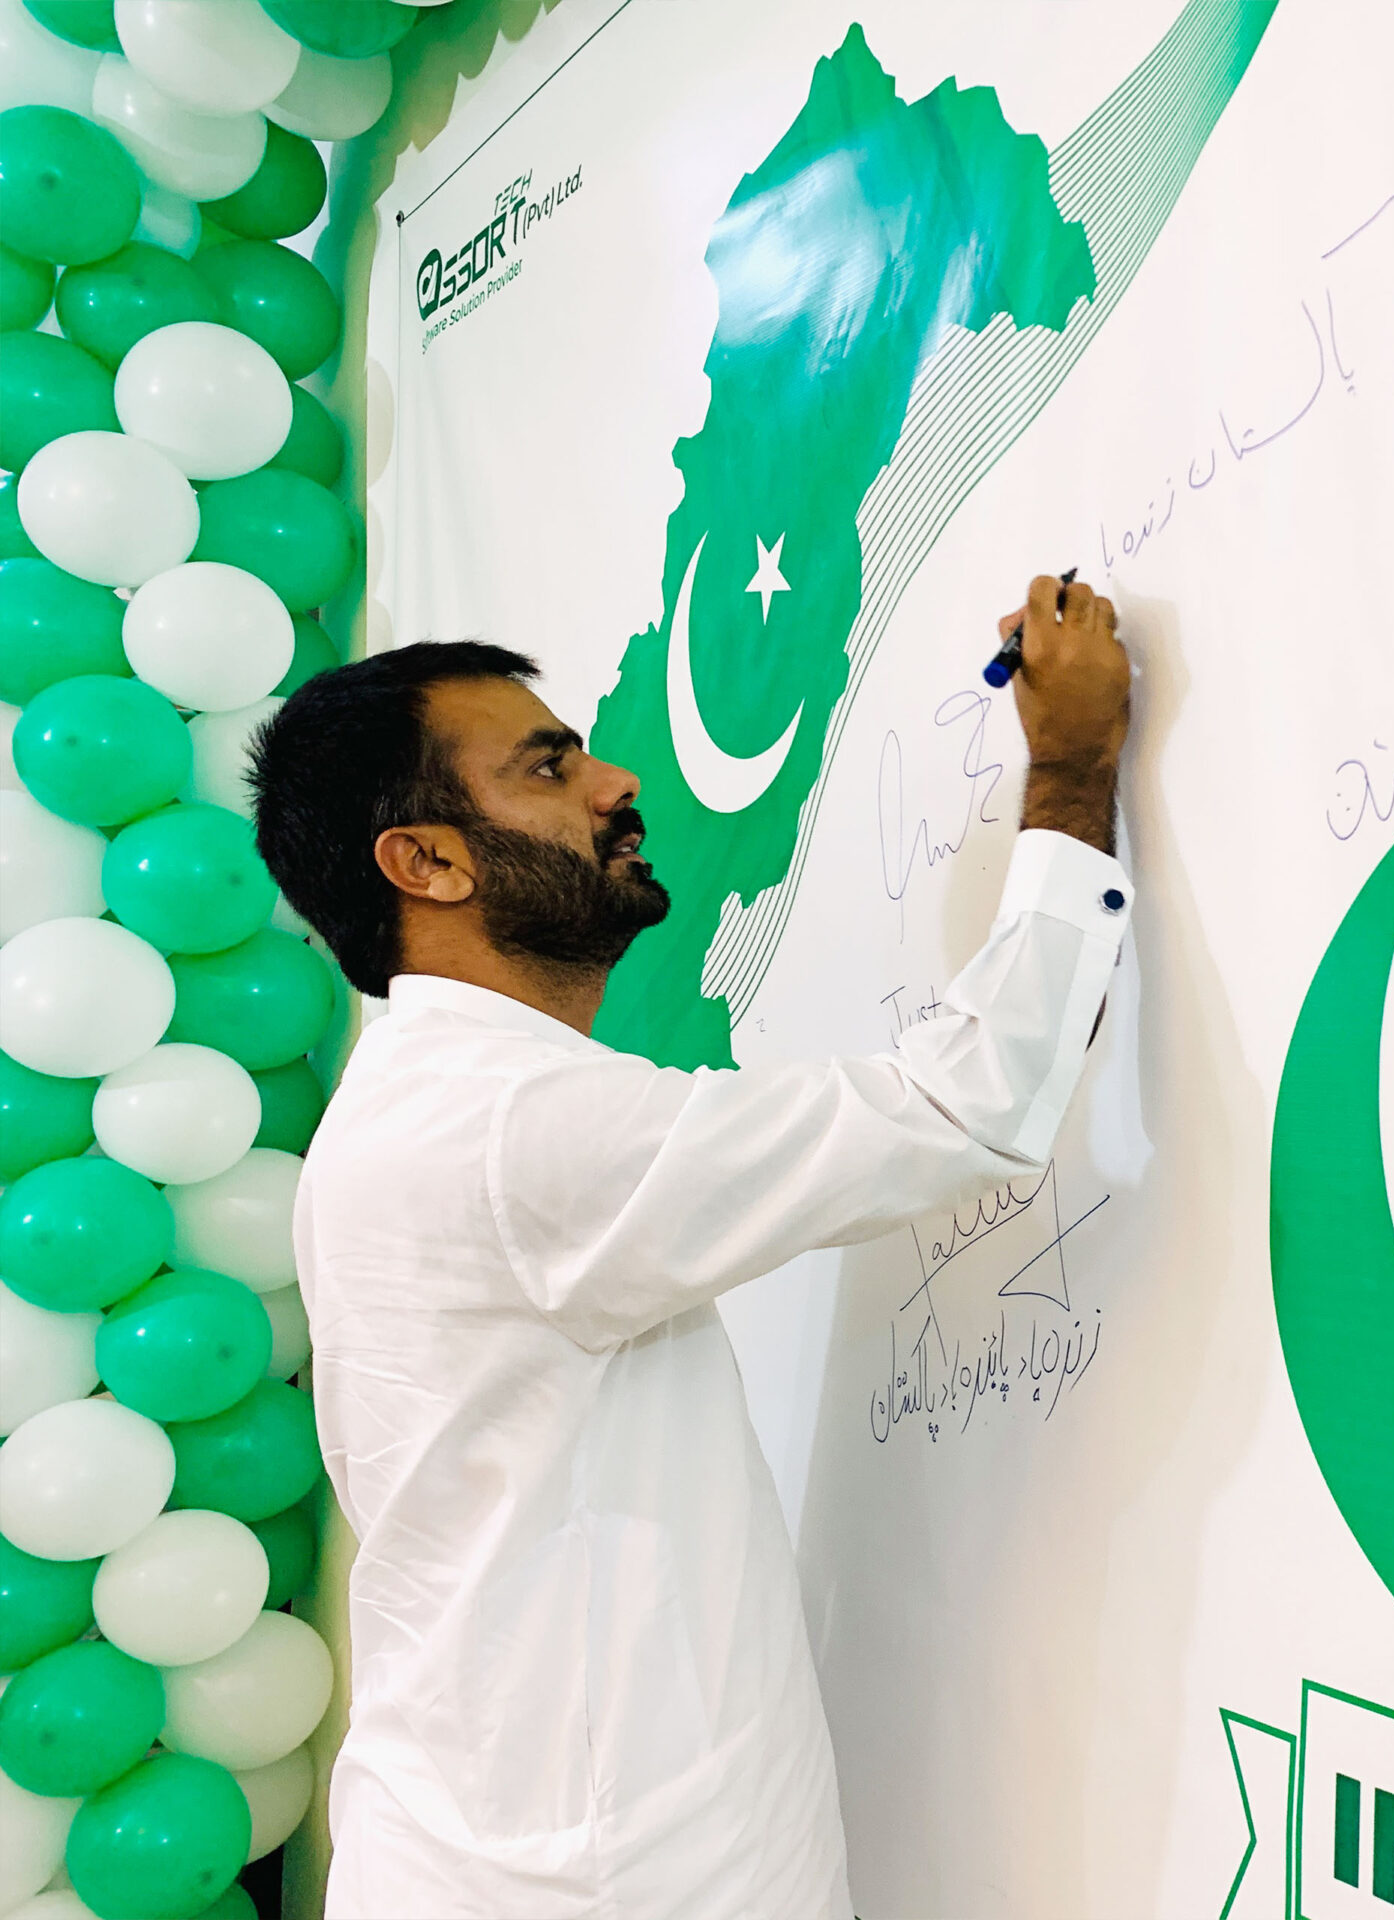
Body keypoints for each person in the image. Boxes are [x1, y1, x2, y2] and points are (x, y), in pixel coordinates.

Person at [246, 578, 1131, 1919]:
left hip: (499, 1842)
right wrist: (1071, 769)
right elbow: (972, 1102)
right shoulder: (509, 1129)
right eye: (548, 767)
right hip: (591, 1878)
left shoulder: (416, 1105)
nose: (616, 782)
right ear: (427, 864)